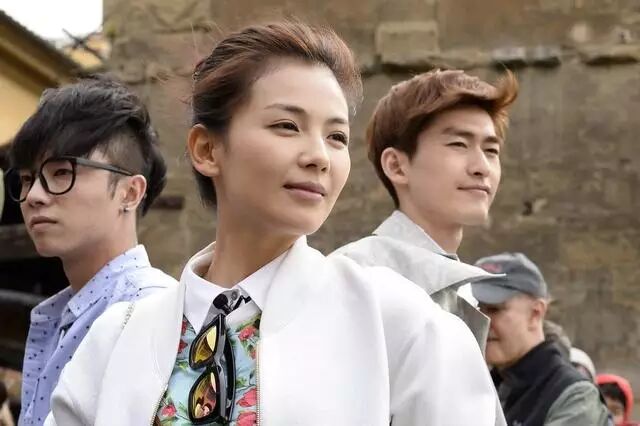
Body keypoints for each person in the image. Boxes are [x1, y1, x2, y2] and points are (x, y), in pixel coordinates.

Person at [45, 21, 500, 425]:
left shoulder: (398, 323)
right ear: (207, 149)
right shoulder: (116, 339)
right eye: (287, 126)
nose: (319, 156)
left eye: (336, 136)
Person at [6, 76, 177, 426]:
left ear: (130, 192)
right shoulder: (61, 314)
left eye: (61, 172)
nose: (34, 196)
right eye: (26, 179)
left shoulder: (152, 312)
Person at [333, 68, 518, 352]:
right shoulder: (354, 276)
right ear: (396, 166)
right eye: (459, 144)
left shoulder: (460, 290)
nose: (482, 167)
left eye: (491, 150)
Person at [472, 252, 609, 426]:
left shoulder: (574, 396)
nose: (482, 320)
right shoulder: (483, 386)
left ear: (535, 313)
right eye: (475, 309)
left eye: (494, 309)